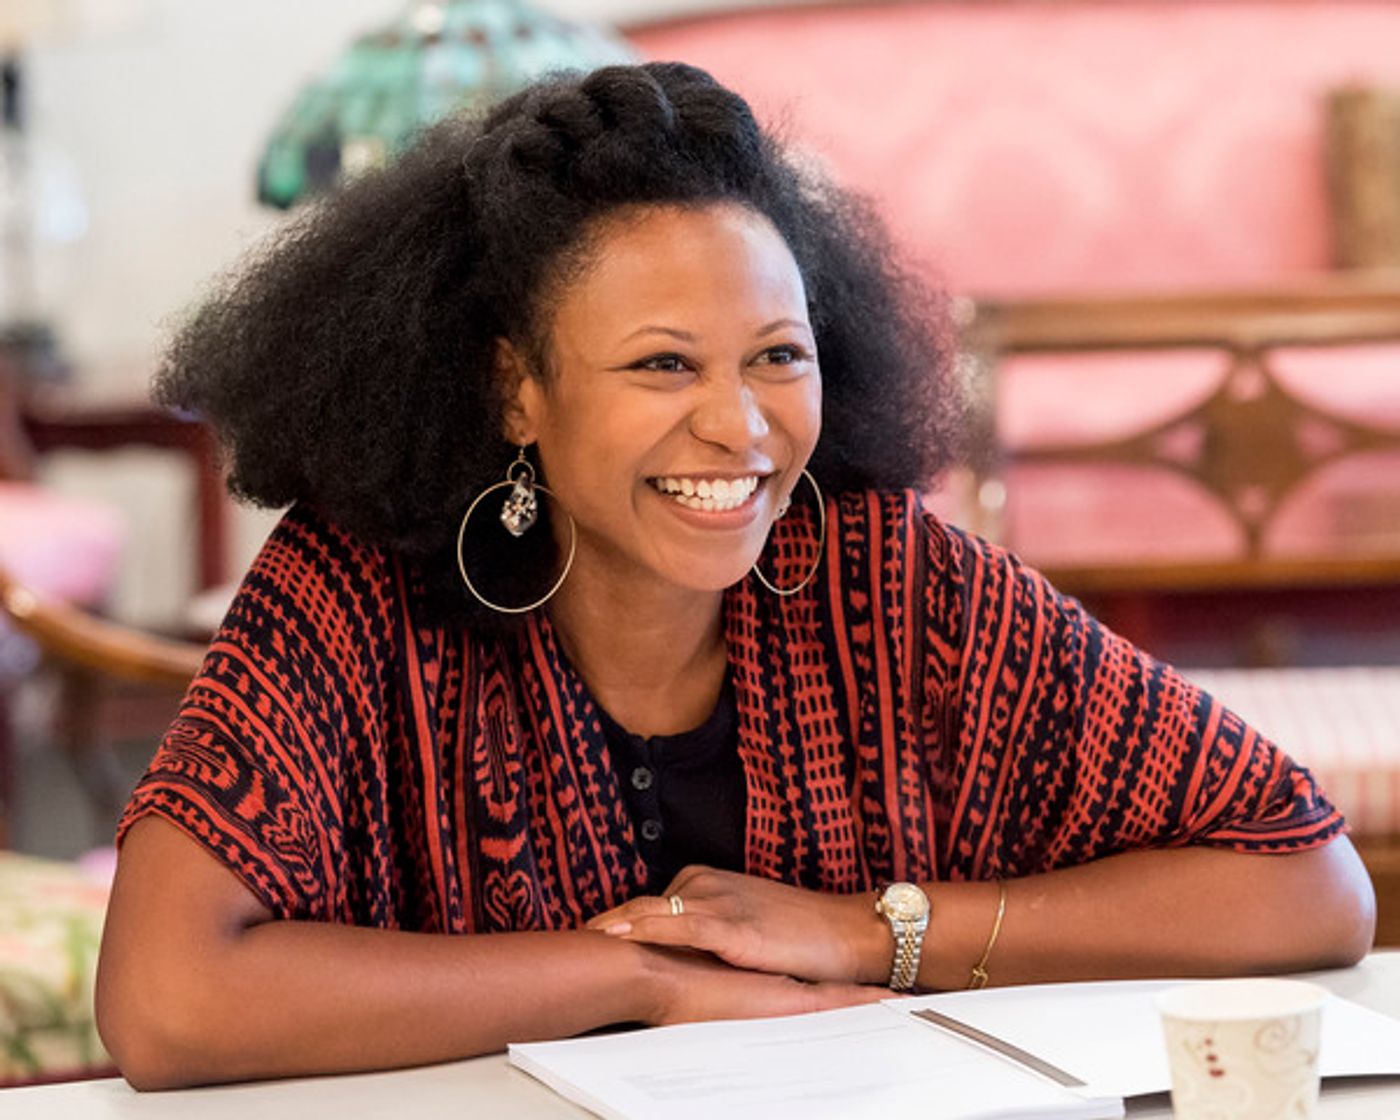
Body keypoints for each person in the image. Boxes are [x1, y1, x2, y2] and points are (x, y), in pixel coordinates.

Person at [95, 61, 1374, 1091]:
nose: (740, 428)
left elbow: (1303, 883)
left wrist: (868, 931)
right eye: (662, 364)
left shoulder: (890, 576)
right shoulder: (355, 585)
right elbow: (165, 1000)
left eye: (775, 355)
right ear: (515, 390)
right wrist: (639, 978)